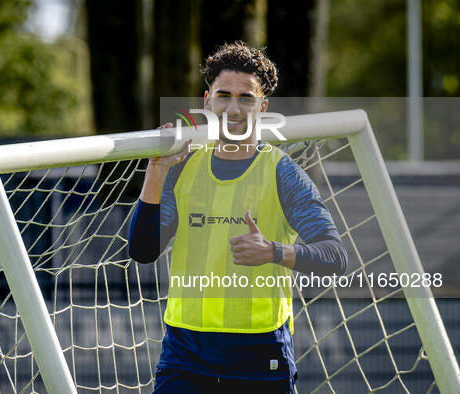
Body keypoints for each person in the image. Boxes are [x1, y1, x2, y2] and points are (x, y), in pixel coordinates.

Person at [128, 41, 347, 393]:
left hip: (260, 357)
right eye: (223, 96)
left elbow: (335, 256)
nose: (233, 108)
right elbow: (142, 249)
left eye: (245, 98)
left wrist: (275, 252)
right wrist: (156, 168)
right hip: (186, 353)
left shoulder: (282, 173)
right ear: (207, 101)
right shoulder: (181, 169)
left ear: (262, 106)